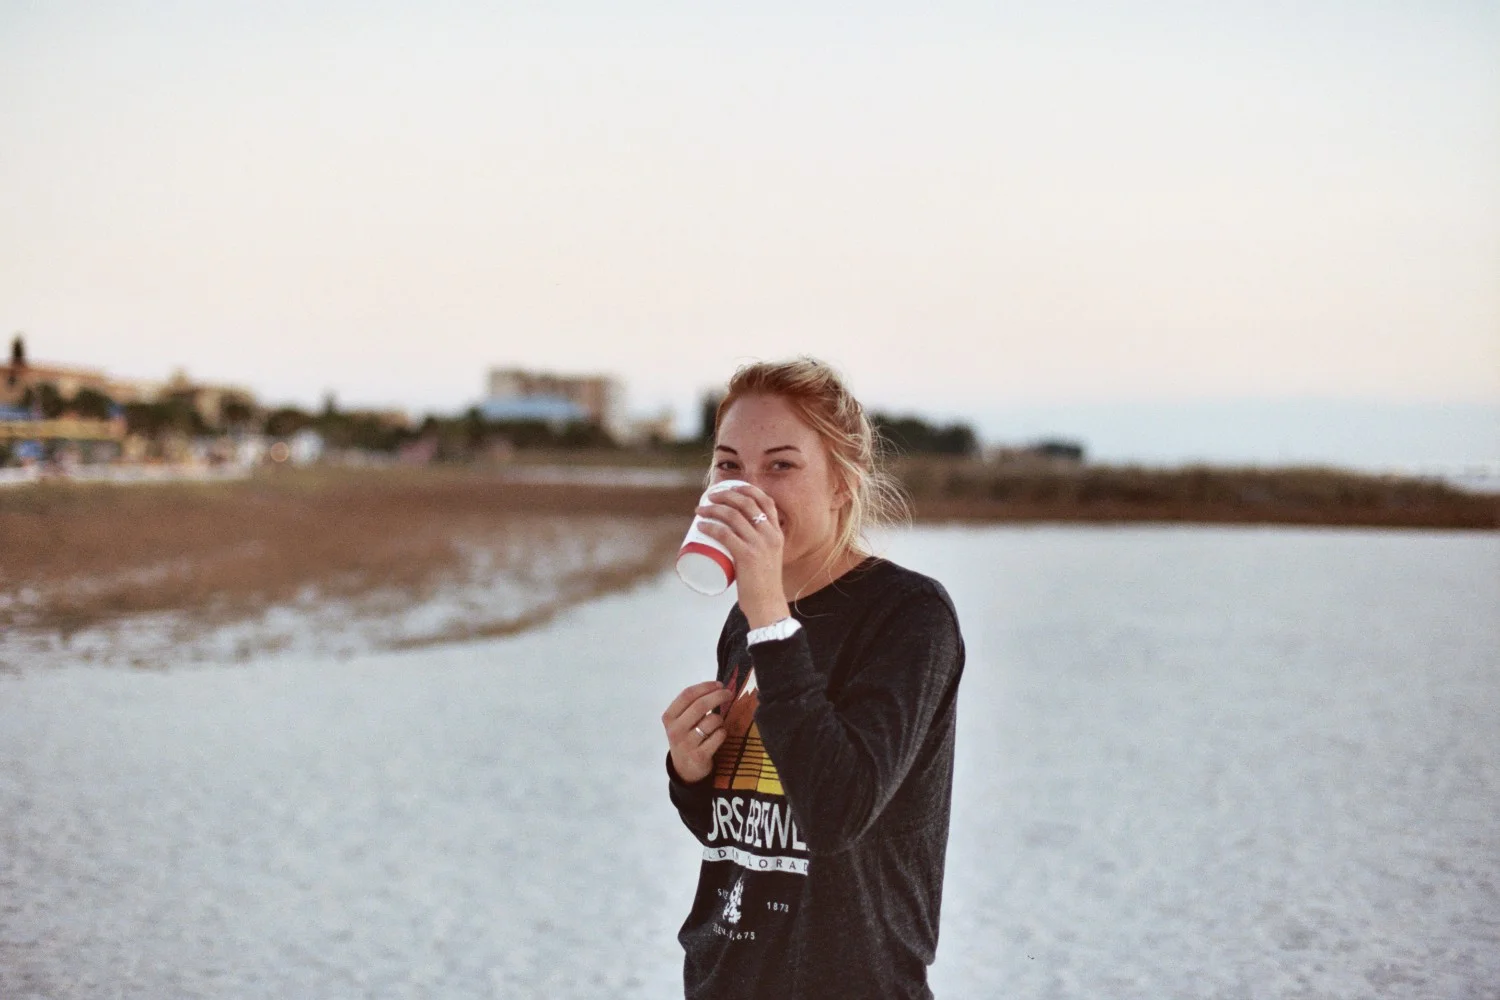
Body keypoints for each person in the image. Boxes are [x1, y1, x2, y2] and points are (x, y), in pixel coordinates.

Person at [660, 357, 966, 999]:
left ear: (841, 484)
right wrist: (690, 774)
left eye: (781, 465)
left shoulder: (908, 614)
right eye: (728, 465)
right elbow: (748, 830)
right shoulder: (747, 620)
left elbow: (834, 814)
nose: (749, 491)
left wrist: (769, 613)